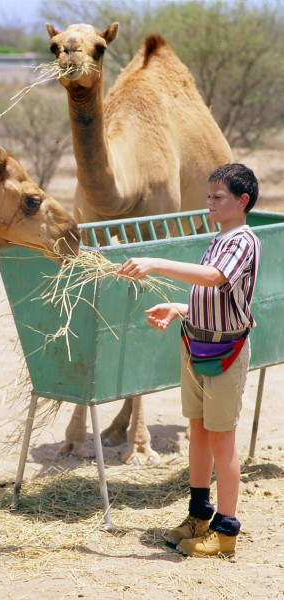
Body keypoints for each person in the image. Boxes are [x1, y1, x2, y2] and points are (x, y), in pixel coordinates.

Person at [116, 163, 261, 558]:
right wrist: (181, 308)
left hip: (226, 351)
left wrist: (156, 263)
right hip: (196, 343)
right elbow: (214, 294)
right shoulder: (219, 237)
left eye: (219, 198)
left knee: (222, 438)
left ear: (242, 201)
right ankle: (199, 515)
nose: (210, 203)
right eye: (209, 196)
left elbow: (214, 278)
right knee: (198, 430)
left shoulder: (242, 241)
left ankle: (226, 530)